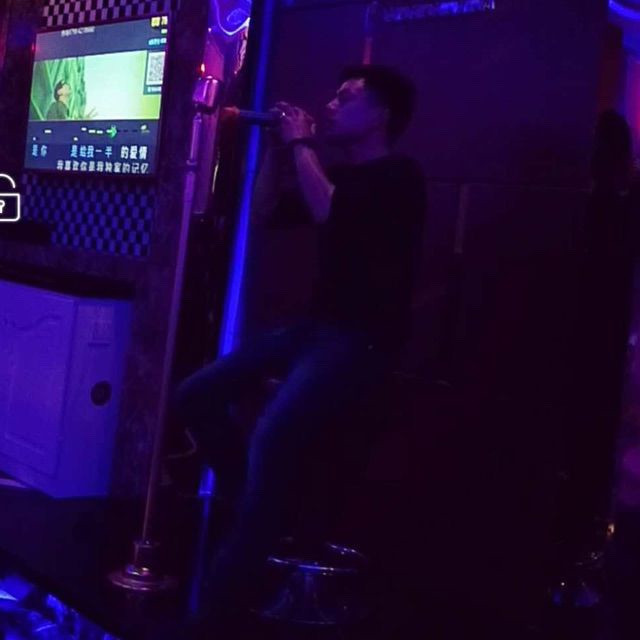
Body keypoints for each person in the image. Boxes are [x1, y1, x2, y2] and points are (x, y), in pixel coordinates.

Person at [172, 64, 427, 625]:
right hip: (315, 329)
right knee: (195, 395)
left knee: (271, 436)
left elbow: (331, 214)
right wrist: (275, 152)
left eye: (346, 97)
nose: (331, 105)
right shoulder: (336, 172)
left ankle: (214, 609)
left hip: (362, 340)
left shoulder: (400, 176)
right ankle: (251, 499)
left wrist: (301, 144)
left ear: (381, 114)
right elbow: (263, 212)